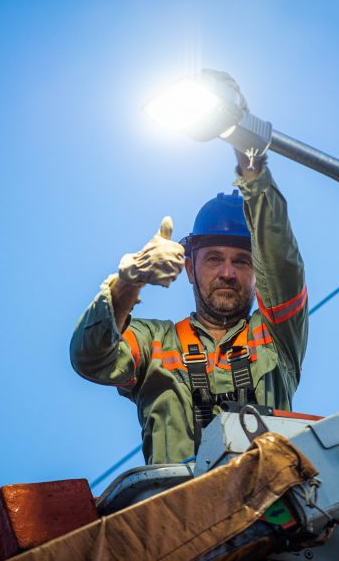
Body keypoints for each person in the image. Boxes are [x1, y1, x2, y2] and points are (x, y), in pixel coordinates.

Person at [70, 127, 307, 466]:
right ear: (190, 269)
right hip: (179, 514)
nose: (227, 272)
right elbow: (91, 359)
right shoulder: (154, 341)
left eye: (241, 261)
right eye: (213, 259)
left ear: (258, 274)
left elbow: (280, 257)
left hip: (270, 507)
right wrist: (128, 281)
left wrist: (249, 156)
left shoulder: (276, 336)